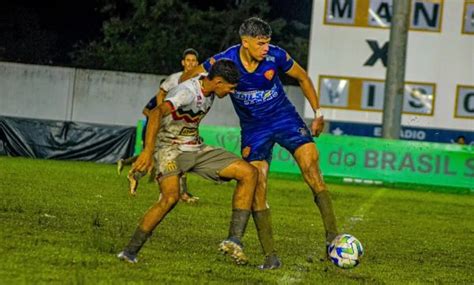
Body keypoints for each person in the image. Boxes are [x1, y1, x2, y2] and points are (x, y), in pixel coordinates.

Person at [181, 17, 338, 269]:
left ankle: (333, 238)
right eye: (261, 43)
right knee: (258, 183)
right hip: (255, 128)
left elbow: (303, 77)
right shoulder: (225, 60)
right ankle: (271, 256)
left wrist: (318, 113)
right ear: (245, 43)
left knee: (311, 165)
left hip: (285, 117)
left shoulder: (276, 56)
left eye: (268, 43)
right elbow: (189, 78)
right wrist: (186, 101)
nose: (266, 48)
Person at [117, 59, 258, 266]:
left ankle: (233, 240)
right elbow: (156, 113)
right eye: (230, 88)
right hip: (169, 150)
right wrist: (148, 151)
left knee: (249, 173)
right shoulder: (186, 92)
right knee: (170, 198)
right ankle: (129, 252)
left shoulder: (210, 89)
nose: (231, 92)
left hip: (194, 147)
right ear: (218, 82)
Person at [118, 48, 200, 202]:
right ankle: (139, 175)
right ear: (183, 62)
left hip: (183, 127)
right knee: (163, 159)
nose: (190, 63)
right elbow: (160, 93)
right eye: (188, 60)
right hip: (169, 127)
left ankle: (180, 193)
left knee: (181, 158)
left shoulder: (199, 80)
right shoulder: (174, 79)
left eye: (193, 61)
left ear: (197, 63)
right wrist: (163, 113)